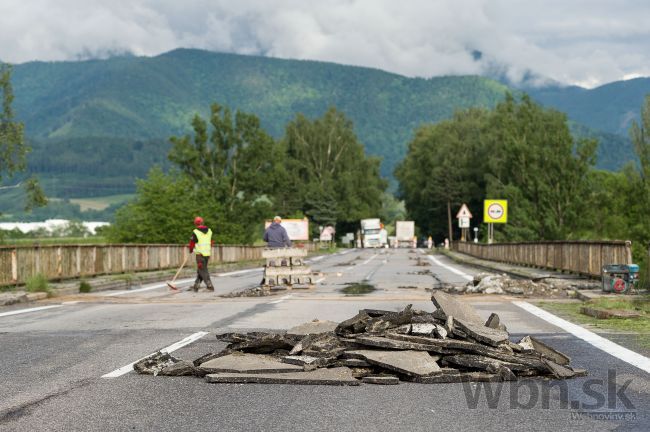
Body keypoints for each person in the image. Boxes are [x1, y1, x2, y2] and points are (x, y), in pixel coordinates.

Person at [188, 216, 214, 292]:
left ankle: (210, 286)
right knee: (201, 269)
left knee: (202, 269)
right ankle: (196, 285)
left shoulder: (195, 231)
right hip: (207, 254)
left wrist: (190, 249)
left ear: (195, 223)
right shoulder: (209, 231)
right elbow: (211, 242)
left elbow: (192, 242)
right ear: (202, 222)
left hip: (200, 254)